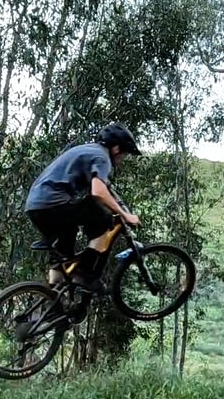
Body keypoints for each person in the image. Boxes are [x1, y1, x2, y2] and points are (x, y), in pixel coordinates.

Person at [25, 123, 142, 290]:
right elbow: (99, 192)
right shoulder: (102, 158)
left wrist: (121, 207)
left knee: (64, 252)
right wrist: (125, 215)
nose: (123, 159)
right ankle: (84, 273)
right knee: (103, 217)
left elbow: (106, 188)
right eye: (125, 154)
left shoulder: (88, 150)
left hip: (35, 207)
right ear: (116, 148)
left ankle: (53, 295)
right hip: (53, 204)